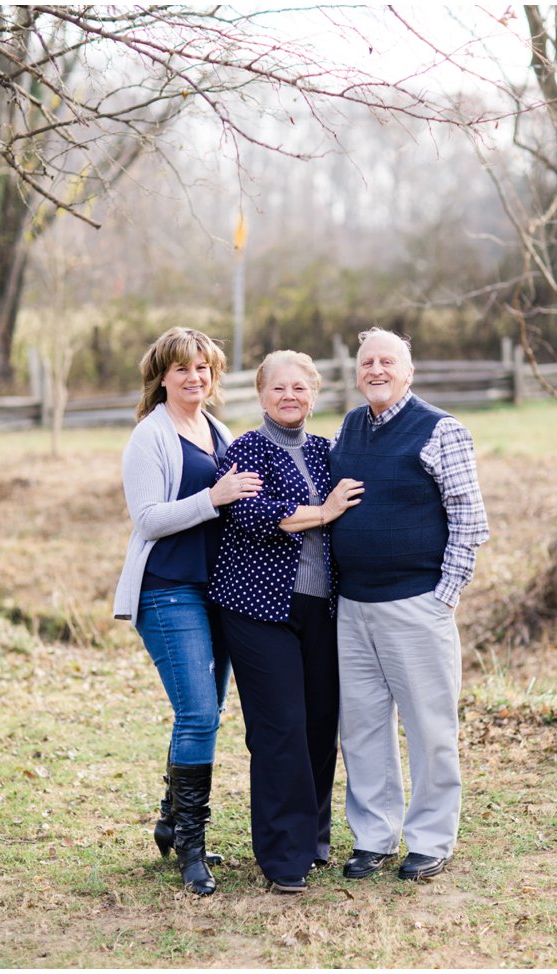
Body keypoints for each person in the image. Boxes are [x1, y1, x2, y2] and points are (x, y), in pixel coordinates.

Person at [328, 327, 489, 882]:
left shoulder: (441, 429)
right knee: (363, 728)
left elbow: (470, 522)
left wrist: (443, 598)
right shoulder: (348, 427)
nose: (375, 369)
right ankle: (374, 836)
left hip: (417, 604)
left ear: (408, 371)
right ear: (356, 371)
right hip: (352, 608)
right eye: (367, 361)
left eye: (387, 361)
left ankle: (430, 840)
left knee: (429, 728)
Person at [112, 327, 263, 895]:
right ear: (162, 377)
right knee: (199, 714)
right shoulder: (149, 438)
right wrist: (213, 498)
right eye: (183, 369)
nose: (195, 377)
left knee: (204, 712)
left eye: (204, 368)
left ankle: (172, 821)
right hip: (168, 589)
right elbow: (148, 518)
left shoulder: (218, 430)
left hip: (217, 591)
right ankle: (191, 849)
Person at [208, 350, 364, 893]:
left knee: (321, 723)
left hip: (322, 608)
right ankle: (283, 859)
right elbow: (252, 516)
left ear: (314, 394)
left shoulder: (327, 452)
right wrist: (325, 512)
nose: (289, 396)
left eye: (300, 387)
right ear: (261, 394)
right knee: (280, 731)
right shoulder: (247, 448)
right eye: (279, 388)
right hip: (258, 610)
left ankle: (313, 838)